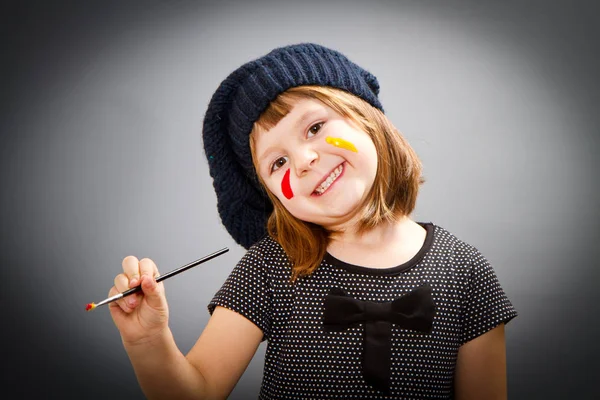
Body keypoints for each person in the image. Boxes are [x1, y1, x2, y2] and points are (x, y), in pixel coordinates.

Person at [108, 43, 517, 399]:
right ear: (270, 197)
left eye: (316, 127)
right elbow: (196, 391)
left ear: (368, 119)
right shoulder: (270, 267)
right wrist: (147, 341)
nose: (303, 162)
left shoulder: (465, 271)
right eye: (278, 161)